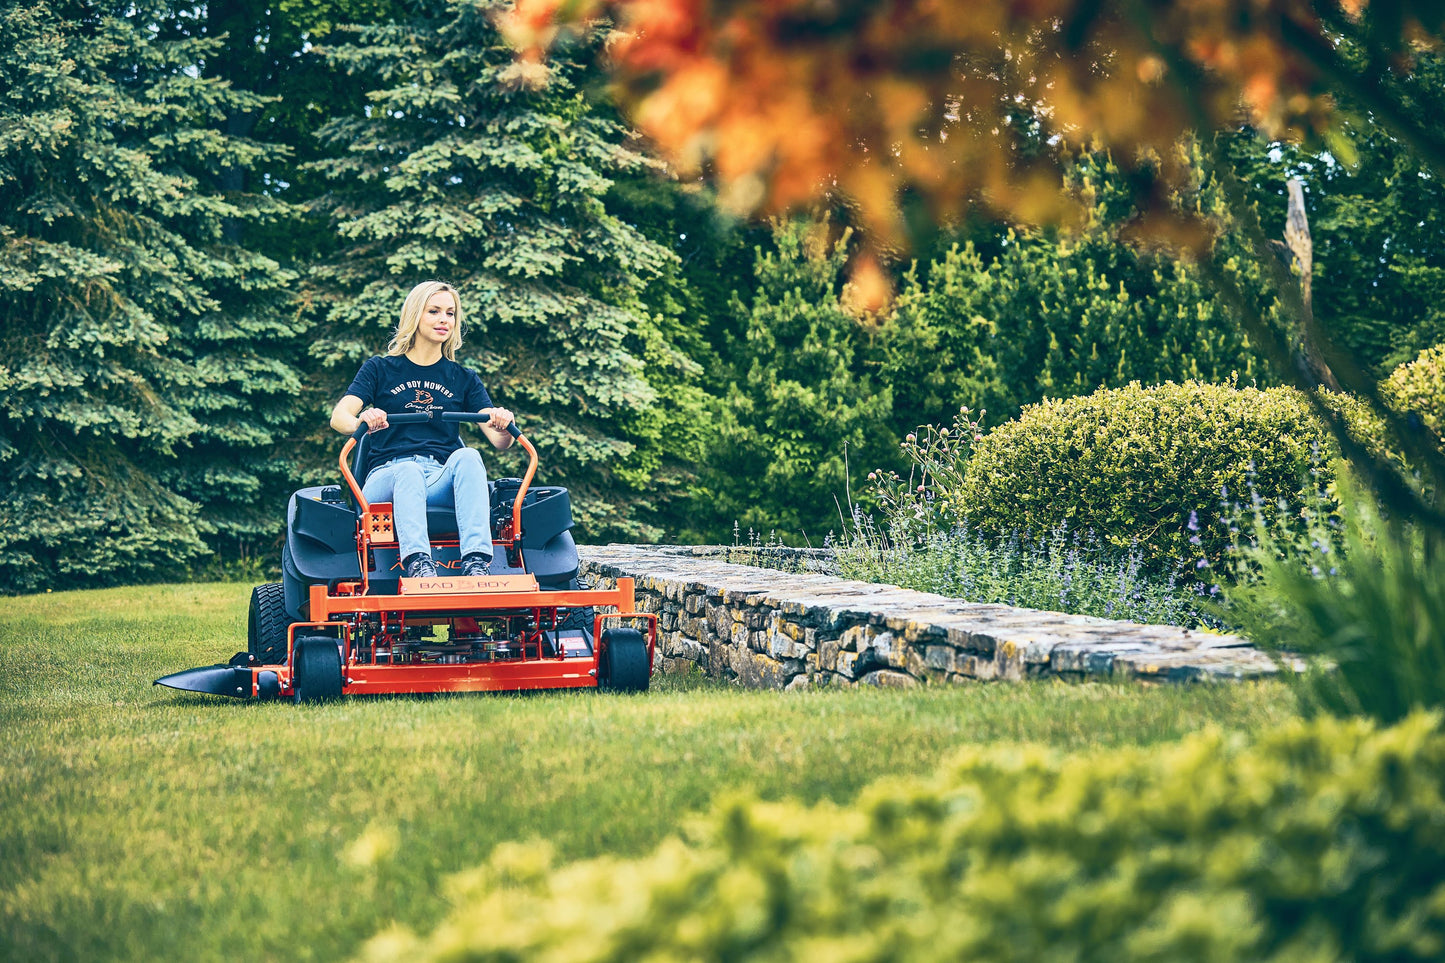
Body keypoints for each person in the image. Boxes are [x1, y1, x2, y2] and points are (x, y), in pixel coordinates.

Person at [330, 281, 515, 579]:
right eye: (434, 311)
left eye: (450, 313)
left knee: (469, 456)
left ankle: (476, 562)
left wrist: (502, 423)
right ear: (416, 315)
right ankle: (417, 563)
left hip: (436, 479)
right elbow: (339, 416)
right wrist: (363, 420)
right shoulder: (380, 369)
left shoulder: (463, 378)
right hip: (386, 479)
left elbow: (499, 441)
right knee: (408, 471)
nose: (444, 319)